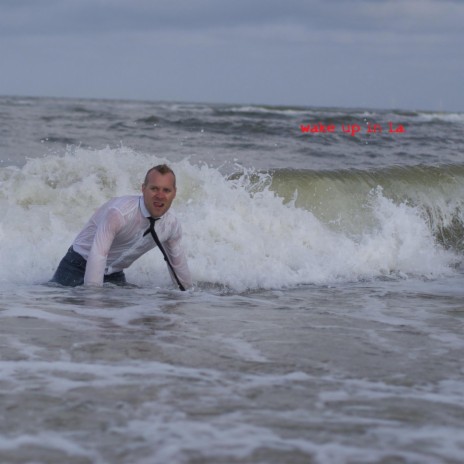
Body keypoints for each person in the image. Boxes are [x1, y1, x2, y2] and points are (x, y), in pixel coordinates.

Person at [50, 164, 192, 290]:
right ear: (143, 189)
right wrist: (93, 301)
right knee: (68, 311)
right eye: (154, 189)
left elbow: (178, 267)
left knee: (125, 314)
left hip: (114, 274)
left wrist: (187, 297)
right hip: (77, 266)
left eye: (166, 190)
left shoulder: (171, 225)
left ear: (174, 193)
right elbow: (98, 255)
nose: (160, 196)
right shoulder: (119, 213)